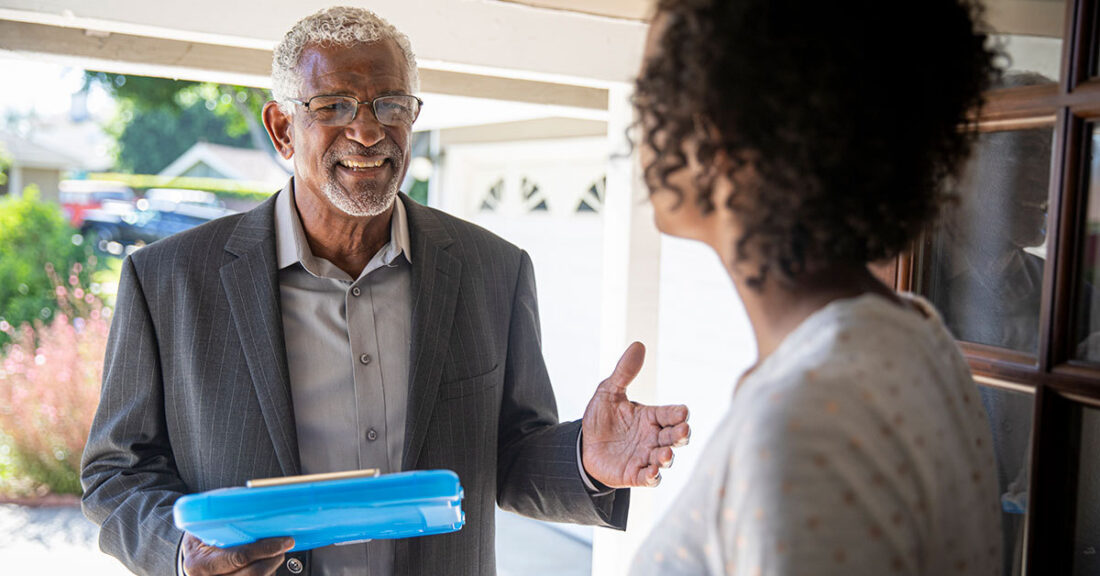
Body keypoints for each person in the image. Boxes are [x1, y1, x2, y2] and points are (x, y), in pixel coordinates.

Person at [80, 7, 690, 576]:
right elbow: (116, 473)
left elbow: (509, 455)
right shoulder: (168, 280)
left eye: (390, 104)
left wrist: (585, 458)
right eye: (334, 105)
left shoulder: (492, 270)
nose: (368, 132)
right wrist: (182, 551)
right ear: (282, 129)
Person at [627, 0, 1002, 574]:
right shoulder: (915, 334)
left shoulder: (798, 425)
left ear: (722, 136)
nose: (640, 119)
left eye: (655, 90)